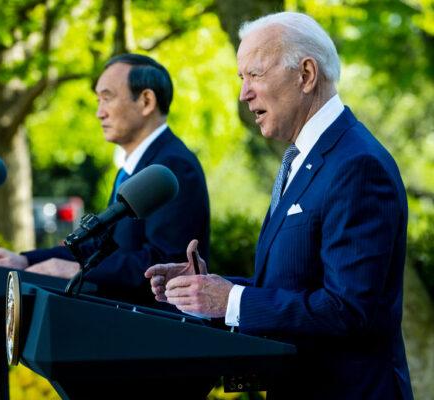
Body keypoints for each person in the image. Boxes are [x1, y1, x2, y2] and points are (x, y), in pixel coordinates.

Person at [145, 12, 413, 400]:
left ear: (305, 75)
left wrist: (232, 301)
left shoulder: (358, 165)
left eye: (254, 75)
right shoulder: (303, 157)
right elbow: (296, 288)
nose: (243, 93)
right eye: (241, 79)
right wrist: (209, 291)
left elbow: (348, 308)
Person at [0, 53, 210, 306]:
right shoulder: (133, 168)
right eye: (97, 100)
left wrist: (76, 269)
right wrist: (25, 260)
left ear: (146, 101)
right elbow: (101, 246)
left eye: (107, 98)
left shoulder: (171, 167)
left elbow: (165, 264)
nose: (99, 113)